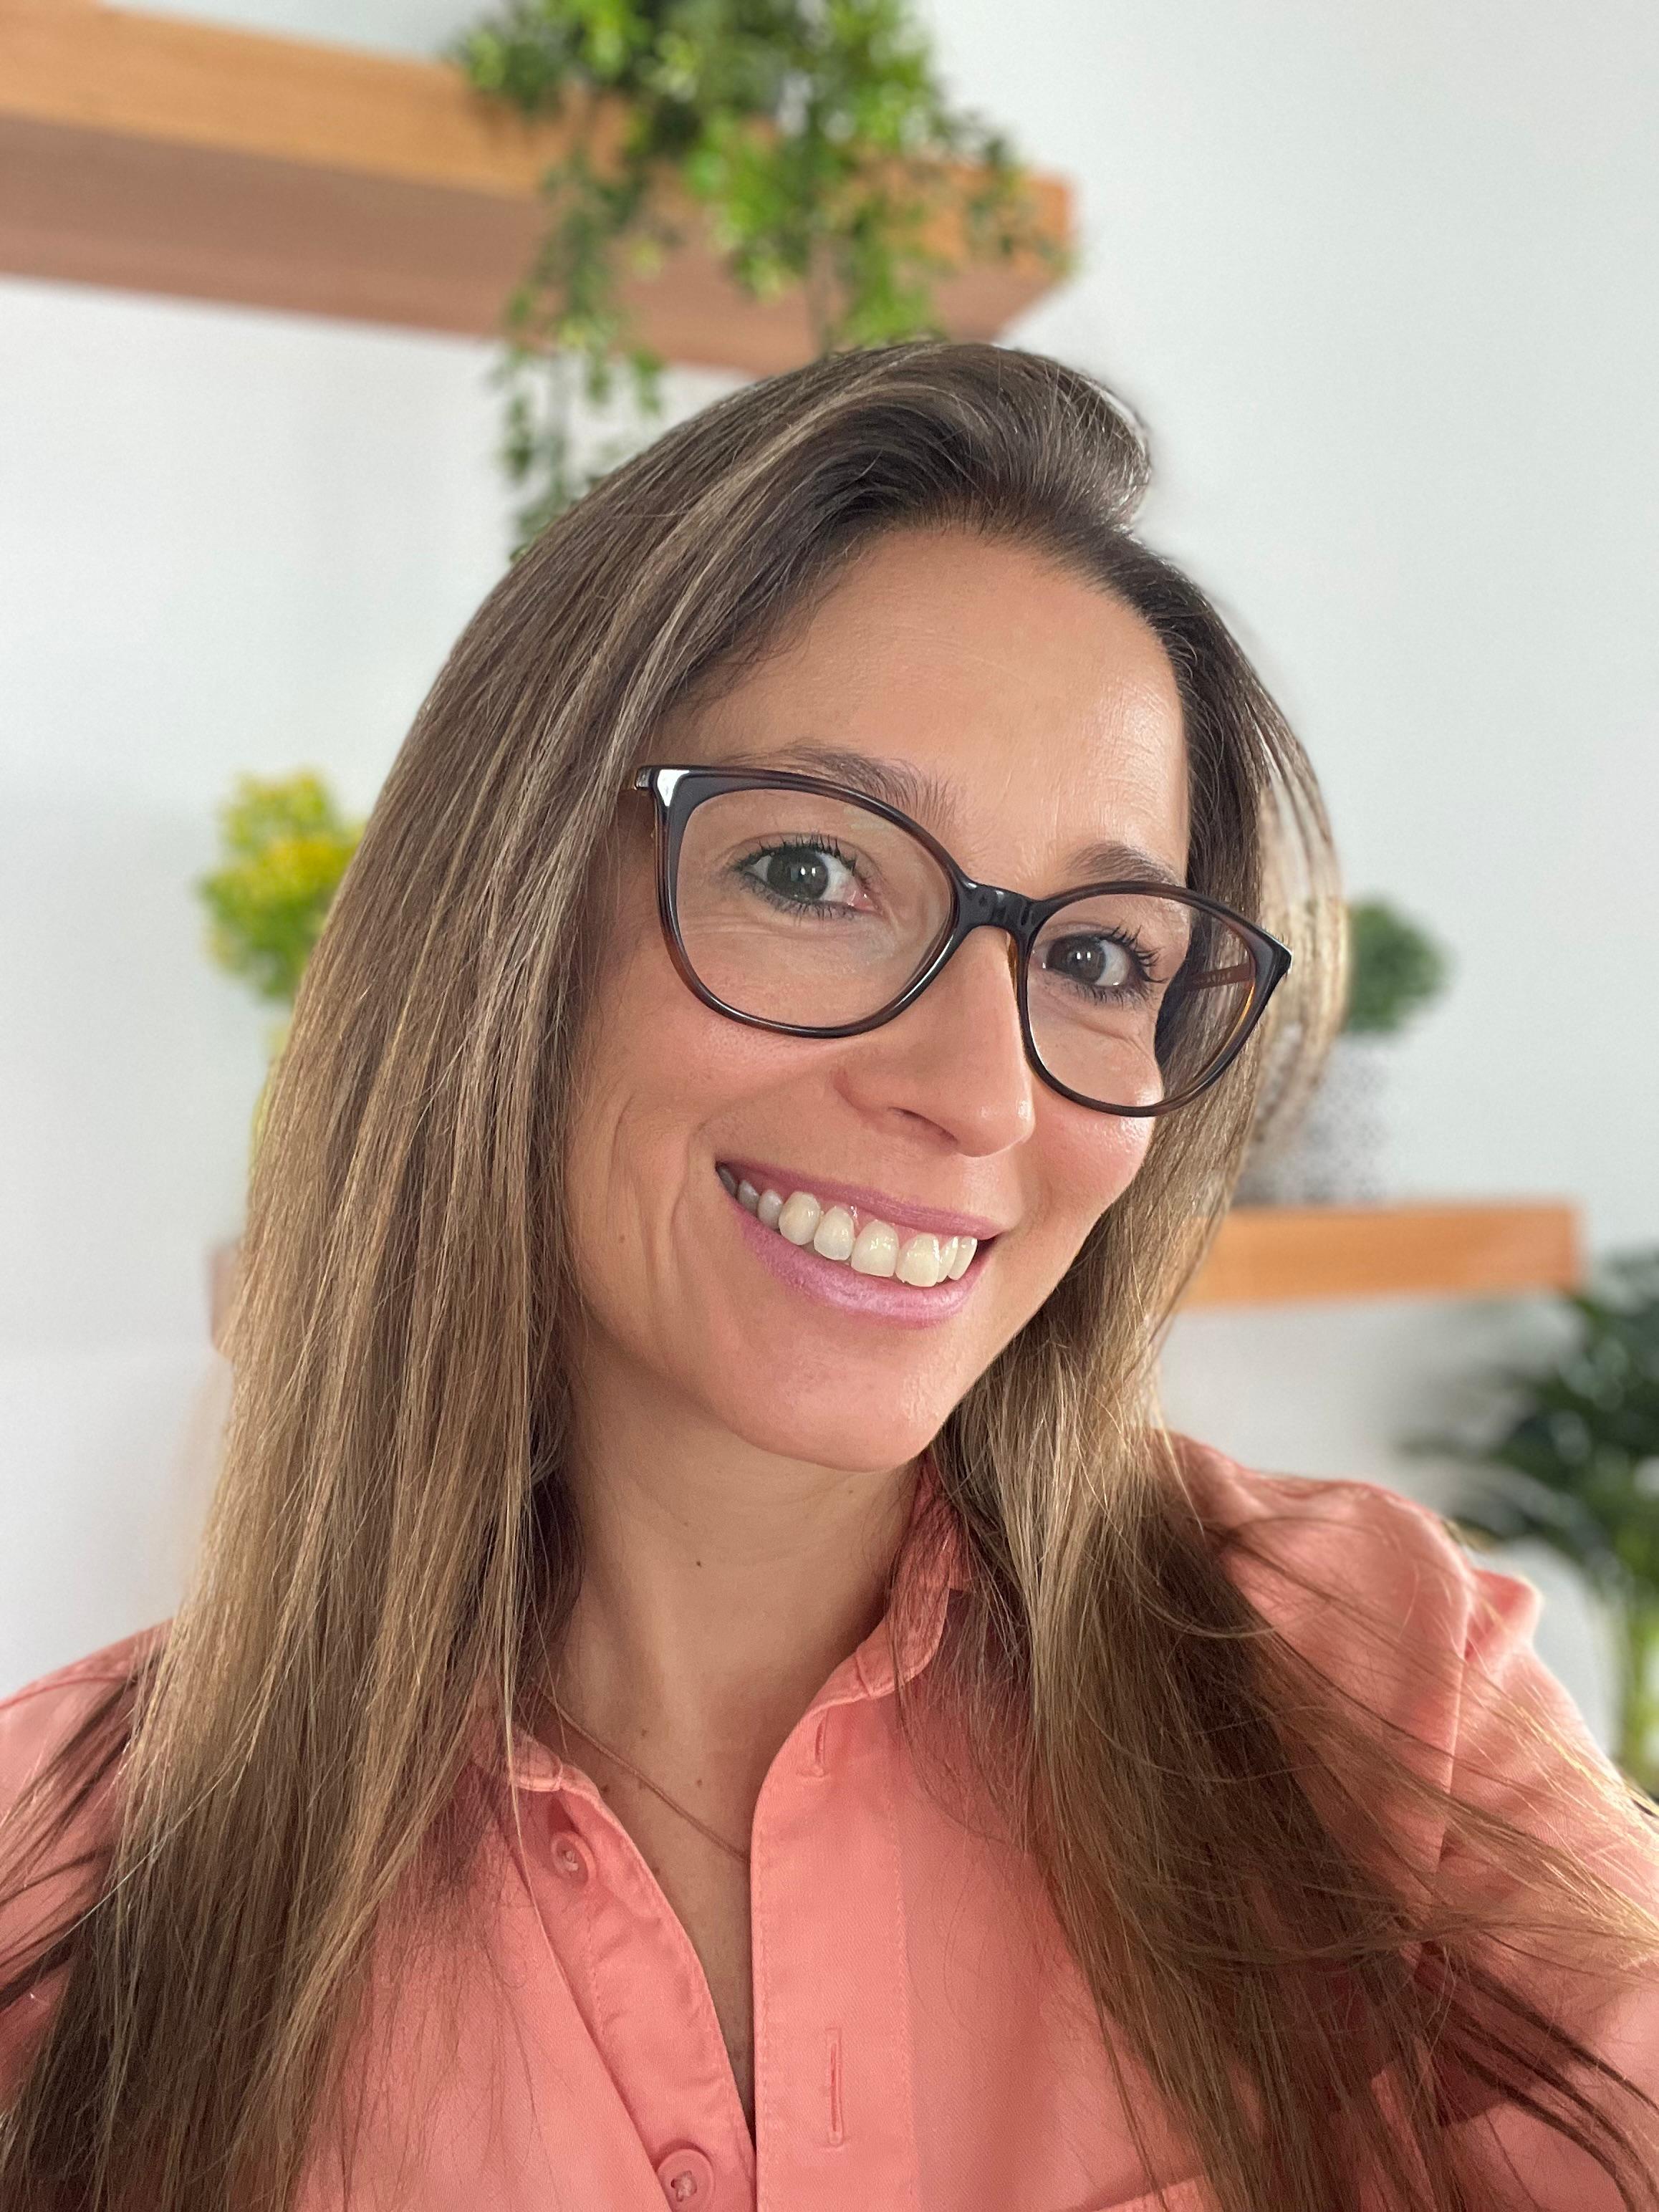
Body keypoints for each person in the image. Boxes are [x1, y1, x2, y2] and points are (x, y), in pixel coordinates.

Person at [1, 341, 1656, 2212]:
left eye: (1099, 960)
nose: (982, 1094)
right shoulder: (59, 1898)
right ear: (515, 918)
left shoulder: (1374, 1695)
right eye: (809, 873)